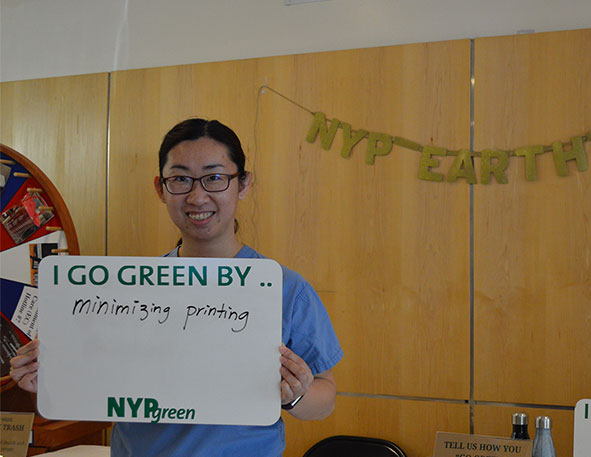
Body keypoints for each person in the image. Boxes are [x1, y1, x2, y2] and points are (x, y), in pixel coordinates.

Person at [9, 118, 343, 456]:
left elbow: (325, 395)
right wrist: (47, 380)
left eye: (214, 178)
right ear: (160, 188)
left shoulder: (285, 288)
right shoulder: (124, 290)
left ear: (242, 185)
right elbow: (92, 388)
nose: (197, 197)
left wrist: (296, 394)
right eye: (181, 179)